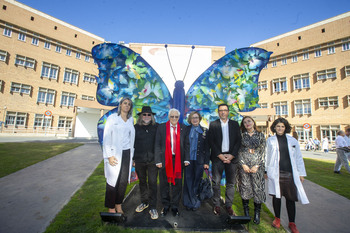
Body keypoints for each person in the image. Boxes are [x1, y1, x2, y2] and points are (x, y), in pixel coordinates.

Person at [265, 117, 309, 233]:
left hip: (290, 173)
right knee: (276, 197)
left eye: (282, 126)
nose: (280, 128)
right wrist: (265, 171)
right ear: (274, 127)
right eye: (278, 126)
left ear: (286, 128)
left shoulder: (292, 140)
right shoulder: (270, 140)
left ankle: (292, 223)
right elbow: (267, 156)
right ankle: (277, 219)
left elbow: (298, 157)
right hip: (276, 172)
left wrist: (301, 173)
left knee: (290, 198)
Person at [155, 108, 190, 217]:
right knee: (164, 183)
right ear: (168, 117)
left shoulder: (183, 128)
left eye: (176, 117)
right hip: (164, 160)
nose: (174, 118)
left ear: (179, 118)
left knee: (178, 184)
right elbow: (157, 144)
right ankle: (165, 205)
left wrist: (186, 158)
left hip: (178, 160)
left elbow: (187, 145)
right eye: (172, 116)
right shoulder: (161, 127)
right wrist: (158, 160)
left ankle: (175, 206)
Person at [102, 97, 135, 214]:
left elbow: (132, 140)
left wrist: (133, 157)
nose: (127, 105)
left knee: (123, 181)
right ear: (120, 105)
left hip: (127, 154)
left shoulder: (131, 120)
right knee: (112, 181)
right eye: (125, 103)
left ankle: (118, 204)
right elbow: (106, 138)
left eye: (129, 104)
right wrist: (109, 156)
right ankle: (111, 207)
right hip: (115, 154)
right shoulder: (112, 119)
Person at [208, 103, 241, 216]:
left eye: (225, 110)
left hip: (232, 158)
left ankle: (228, 205)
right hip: (218, 158)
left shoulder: (235, 124)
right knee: (216, 182)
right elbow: (211, 141)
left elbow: (238, 141)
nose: (223, 112)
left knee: (231, 183)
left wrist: (231, 155)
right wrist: (220, 155)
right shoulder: (213, 124)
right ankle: (217, 204)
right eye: (221, 110)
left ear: (228, 112)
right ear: (218, 112)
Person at [237, 116, 266, 224]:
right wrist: (243, 164)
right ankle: (246, 213)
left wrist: (257, 165)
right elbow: (238, 151)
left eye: (249, 121)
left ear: (253, 122)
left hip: (257, 167)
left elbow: (263, 151)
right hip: (244, 166)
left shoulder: (261, 135)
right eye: (245, 122)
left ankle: (257, 214)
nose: (247, 123)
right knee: (245, 187)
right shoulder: (241, 136)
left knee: (257, 189)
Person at [134, 106, 159, 219]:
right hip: (139, 160)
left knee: (153, 182)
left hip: (153, 161)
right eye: (144, 114)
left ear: (152, 116)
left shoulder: (157, 127)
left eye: (149, 114)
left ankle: (153, 207)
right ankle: (145, 202)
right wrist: (133, 159)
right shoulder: (135, 128)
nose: (147, 116)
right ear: (141, 116)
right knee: (142, 182)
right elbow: (131, 144)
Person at [182, 111, 210, 211]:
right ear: (190, 119)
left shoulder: (205, 131)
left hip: (199, 161)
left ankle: (195, 202)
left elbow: (207, 148)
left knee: (197, 181)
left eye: (196, 118)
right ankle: (188, 202)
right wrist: (184, 158)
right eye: (193, 118)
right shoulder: (186, 130)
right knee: (188, 181)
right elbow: (183, 145)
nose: (195, 119)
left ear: (199, 119)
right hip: (188, 160)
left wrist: (206, 162)